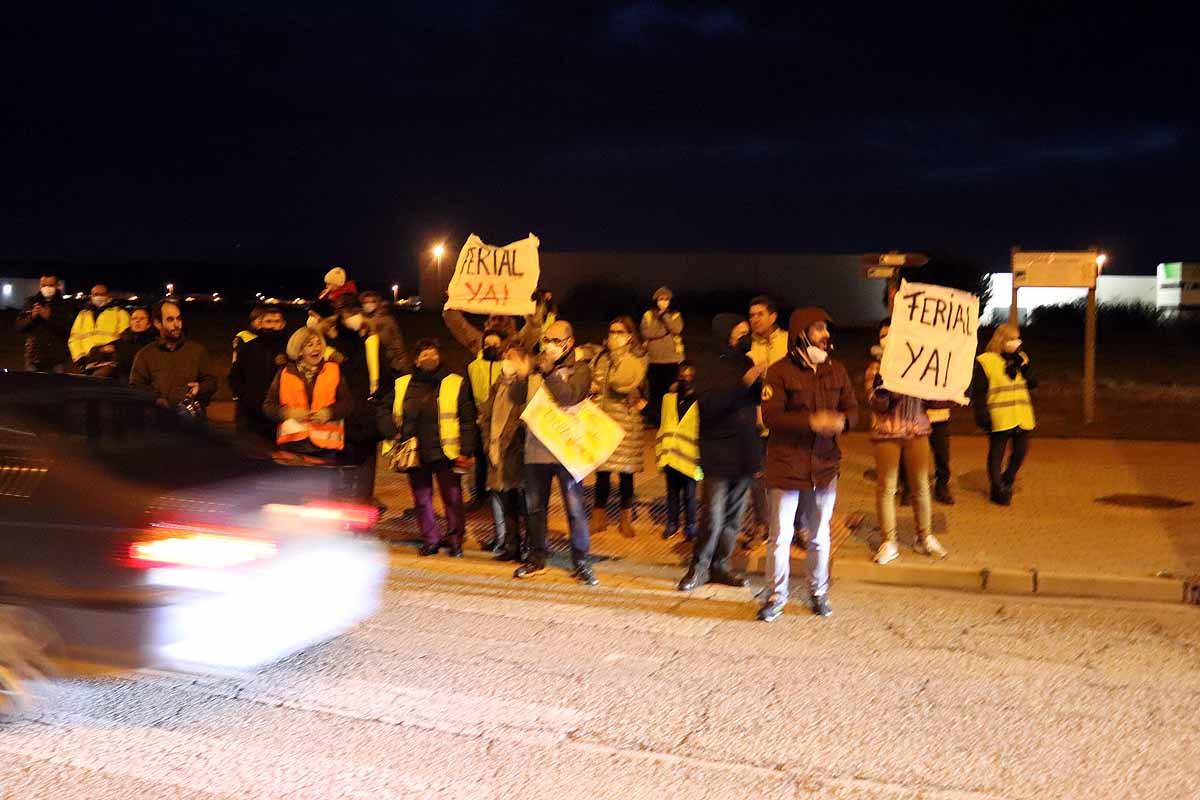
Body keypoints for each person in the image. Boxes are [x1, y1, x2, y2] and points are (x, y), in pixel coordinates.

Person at [758, 307, 857, 621]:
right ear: (801, 334)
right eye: (817, 329)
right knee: (780, 537)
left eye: (826, 329)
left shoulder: (836, 370)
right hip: (786, 465)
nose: (825, 335)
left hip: (824, 467)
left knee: (818, 535)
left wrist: (844, 421)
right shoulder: (779, 372)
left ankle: (819, 591)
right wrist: (810, 421)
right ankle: (776, 595)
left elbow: (853, 408)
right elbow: (771, 416)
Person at [678, 315, 765, 592]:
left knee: (734, 516)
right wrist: (744, 383)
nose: (745, 337)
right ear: (726, 334)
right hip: (718, 450)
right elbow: (710, 406)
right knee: (713, 514)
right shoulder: (708, 365)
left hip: (745, 450)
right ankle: (699, 567)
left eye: (746, 333)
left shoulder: (746, 363)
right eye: (740, 333)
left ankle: (722, 565)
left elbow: (752, 404)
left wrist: (760, 384)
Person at [513, 319, 597, 585]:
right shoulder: (535, 365)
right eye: (545, 339)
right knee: (535, 507)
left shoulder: (580, 369)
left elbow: (570, 397)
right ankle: (537, 557)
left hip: (566, 453)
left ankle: (581, 561)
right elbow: (517, 399)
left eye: (555, 340)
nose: (548, 344)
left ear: (569, 343)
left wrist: (548, 373)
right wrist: (517, 377)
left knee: (575, 509)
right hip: (535, 449)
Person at [377, 339, 476, 557]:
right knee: (422, 500)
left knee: (453, 498)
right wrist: (391, 431)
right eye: (424, 355)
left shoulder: (455, 382)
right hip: (415, 453)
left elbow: (468, 419)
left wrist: (466, 449)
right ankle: (430, 540)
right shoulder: (402, 384)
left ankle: (455, 539)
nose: (429, 358)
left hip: (447, 452)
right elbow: (383, 409)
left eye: (433, 354)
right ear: (416, 360)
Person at [864, 321, 949, 565]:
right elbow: (875, 403)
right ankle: (888, 542)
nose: (886, 338)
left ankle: (925, 537)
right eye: (882, 335)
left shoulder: (917, 365)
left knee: (921, 486)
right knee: (887, 488)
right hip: (887, 433)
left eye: (891, 333)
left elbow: (931, 401)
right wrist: (885, 388)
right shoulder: (874, 368)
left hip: (916, 430)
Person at [443, 305, 543, 507]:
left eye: (501, 318)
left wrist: (534, 319)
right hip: (483, 413)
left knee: (509, 457)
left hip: (509, 411)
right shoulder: (482, 344)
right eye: (493, 318)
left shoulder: (514, 345)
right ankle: (482, 496)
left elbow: (531, 333)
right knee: (482, 457)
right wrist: (451, 307)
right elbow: (461, 328)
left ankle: (512, 499)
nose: (497, 320)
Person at [587, 316, 648, 538]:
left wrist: (616, 353)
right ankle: (598, 517)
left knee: (625, 474)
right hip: (602, 420)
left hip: (625, 423)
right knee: (602, 473)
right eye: (612, 331)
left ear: (629, 336)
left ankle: (625, 518)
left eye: (620, 332)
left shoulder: (635, 359)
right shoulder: (600, 358)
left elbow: (621, 381)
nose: (614, 336)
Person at [324, 293, 387, 505]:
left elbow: (384, 373)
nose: (353, 317)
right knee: (341, 471)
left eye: (356, 312)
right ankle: (341, 510)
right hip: (341, 416)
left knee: (366, 472)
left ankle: (362, 510)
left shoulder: (372, 340)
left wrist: (379, 400)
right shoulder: (330, 345)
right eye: (348, 313)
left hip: (367, 415)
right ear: (339, 315)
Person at [738, 295, 789, 549]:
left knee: (786, 474)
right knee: (757, 475)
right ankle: (761, 524)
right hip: (757, 419)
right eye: (751, 315)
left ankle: (792, 526)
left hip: (785, 420)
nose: (754, 319)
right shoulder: (747, 346)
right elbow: (739, 383)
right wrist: (754, 373)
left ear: (773, 316)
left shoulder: (788, 342)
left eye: (759, 314)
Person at [263, 328, 354, 459]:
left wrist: (329, 413)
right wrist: (288, 413)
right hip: (292, 446)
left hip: (326, 448)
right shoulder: (284, 373)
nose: (316, 348)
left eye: (318, 343)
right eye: (310, 345)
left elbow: (348, 404)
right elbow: (268, 406)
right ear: (299, 351)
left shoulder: (333, 370)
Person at [478, 340, 532, 562]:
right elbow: (487, 416)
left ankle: (530, 547)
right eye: (505, 357)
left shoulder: (529, 386)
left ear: (524, 362)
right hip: (497, 451)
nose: (506, 362)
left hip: (518, 453)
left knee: (525, 504)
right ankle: (512, 546)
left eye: (512, 358)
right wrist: (487, 442)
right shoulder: (498, 385)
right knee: (506, 501)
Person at [972, 323, 1037, 506]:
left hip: (1022, 415)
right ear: (1001, 339)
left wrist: (1024, 369)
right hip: (1000, 416)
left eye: (1017, 338)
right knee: (996, 453)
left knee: (1021, 451)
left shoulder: (1021, 358)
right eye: (1011, 339)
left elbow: (1032, 383)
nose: (1016, 342)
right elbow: (979, 391)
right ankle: (997, 488)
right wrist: (981, 414)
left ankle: (1007, 479)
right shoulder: (986, 361)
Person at [130, 299, 218, 415]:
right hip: (157, 421)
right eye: (170, 320)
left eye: (179, 318)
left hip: (191, 425)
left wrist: (200, 388)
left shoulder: (197, 351)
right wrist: (155, 399)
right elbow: (136, 386)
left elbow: (211, 381)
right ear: (158, 323)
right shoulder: (145, 354)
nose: (177, 325)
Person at [229, 305, 289, 444]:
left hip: (280, 418)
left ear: (283, 324)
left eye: (277, 321)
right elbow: (234, 377)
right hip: (251, 418)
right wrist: (245, 398)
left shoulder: (290, 349)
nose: (273, 326)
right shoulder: (248, 348)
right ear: (260, 324)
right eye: (269, 321)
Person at [656, 360, 700, 541]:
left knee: (690, 496)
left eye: (690, 377)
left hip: (690, 458)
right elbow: (663, 424)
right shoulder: (668, 399)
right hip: (671, 455)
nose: (686, 380)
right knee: (672, 494)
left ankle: (690, 526)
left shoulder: (701, 402)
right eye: (683, 376)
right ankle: (672, 523)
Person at [640, 286, 685, 426]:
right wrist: (664, 331)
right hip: (653, 360)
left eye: (666, 299)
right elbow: (646, 333)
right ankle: (655, 419)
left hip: (672, 360)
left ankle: (670, 419)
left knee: (671, 392)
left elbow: (677, 329)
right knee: (654, 392)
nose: (663, 302)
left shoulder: (675, 315)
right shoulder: (648, 315)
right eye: (661, 299)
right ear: (655, 300)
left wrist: (664, 316)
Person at [83, 305, 157, 383]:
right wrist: (103, 349)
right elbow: (94, 352)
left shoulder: (153, 343)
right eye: (134, 318)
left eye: (142, 318)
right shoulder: (123, 340)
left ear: (149, 323)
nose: (137, 321)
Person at [15, 274, 72, 373]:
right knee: (32, 387)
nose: (47, 288)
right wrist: (31, 317)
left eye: (50, 285)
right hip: (34, 358)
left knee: (57, 388)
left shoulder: (64, 305)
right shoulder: (31, 302)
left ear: (57, 285)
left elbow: (68, 330)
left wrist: (49, 318)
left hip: (57, 360)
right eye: (44, 285)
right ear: (40, 286)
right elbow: (19, 327)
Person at [68, 284, 130, 369]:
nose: (98, 297)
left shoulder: (119, 313)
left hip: (109, 362)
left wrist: (111, 350)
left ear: (108, 296)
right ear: (91, 296)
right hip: (86, 362)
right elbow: (74, 338)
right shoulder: (83, 314)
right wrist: (79, 357)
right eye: (95, 294)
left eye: (102, 294)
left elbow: (126, 337)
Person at [360, 290, 412, 375]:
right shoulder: (359, 320)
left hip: (387, 362)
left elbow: (397, 340)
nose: (369, 304)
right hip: (366, 364)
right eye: (366, 302)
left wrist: (401, 360)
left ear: (378, 303)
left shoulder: (387, 319)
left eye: (372, 301)